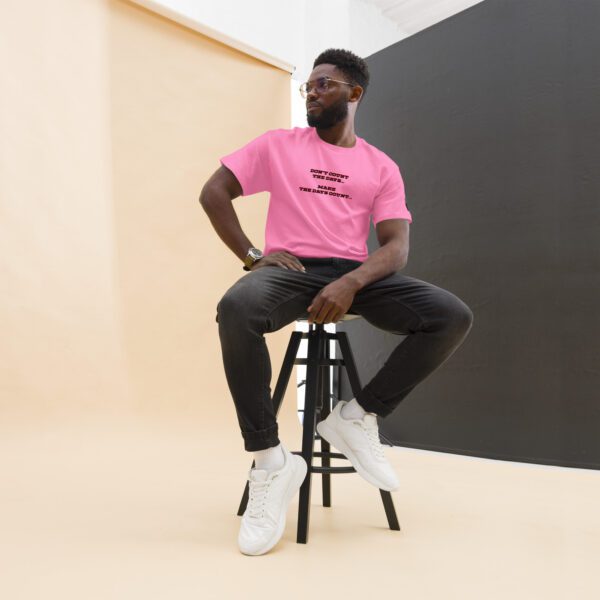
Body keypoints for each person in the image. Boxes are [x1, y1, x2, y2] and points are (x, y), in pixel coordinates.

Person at [199, 48, 474, 556]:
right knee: (236, 309)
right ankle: (270, 462)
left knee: (450, 316)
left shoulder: (380, 166)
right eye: (308, 85)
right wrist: (254, 256)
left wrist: (351, 283)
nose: (311, 92)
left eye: (323, 84)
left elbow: (396, 248)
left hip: (355, 274)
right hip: (292, 272)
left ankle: (355, 416)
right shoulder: (279, 145)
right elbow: (213, 192)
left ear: (354, 93)